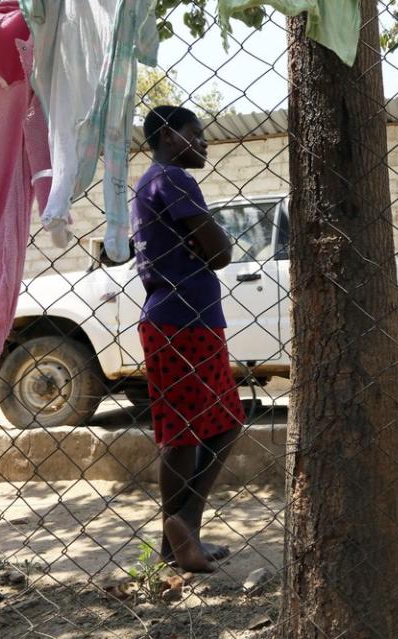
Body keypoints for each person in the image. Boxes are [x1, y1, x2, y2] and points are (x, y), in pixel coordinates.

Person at [133, 106, 245, 573]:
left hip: (192, 319)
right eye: (193, 134)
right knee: (185, 434)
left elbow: (211, 246)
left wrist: (207, 241)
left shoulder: (159, 181)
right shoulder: (172, 178)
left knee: (223, 423)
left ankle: (182, 532)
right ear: (166, 136)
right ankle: (176, 533)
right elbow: (219, 252)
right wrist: (211, 241)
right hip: (179, 321)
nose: (203, 143)